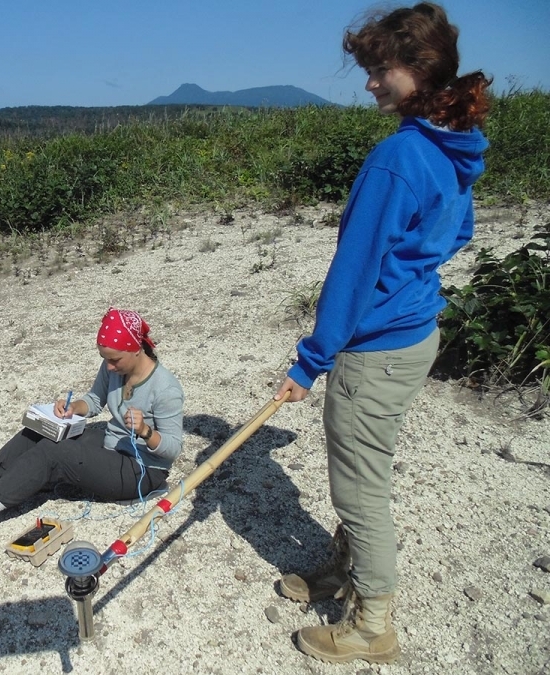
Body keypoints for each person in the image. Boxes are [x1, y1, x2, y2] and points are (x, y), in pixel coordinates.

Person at [272, 2, 491, 665]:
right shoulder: (453, 142)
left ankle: (372, 623)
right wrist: (414, 280)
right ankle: (344, 571)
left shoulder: (399, 156)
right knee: (365, 467)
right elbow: (459, 232)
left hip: (377, 350)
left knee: (359, 489)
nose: (368, 82)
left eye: (379, 69)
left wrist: (312, 360)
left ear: (418, 70)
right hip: (414, 335)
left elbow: (354, 270)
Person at [0, 307, 184, 544]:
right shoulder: (113, 368)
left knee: (54, 454)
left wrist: (145, 432)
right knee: (39, 431)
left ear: (136, 348)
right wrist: (73, 409)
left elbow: (172, 449)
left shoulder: (165, 388)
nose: (108, 365)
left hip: (140, 470)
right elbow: (94, 400)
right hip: (110, 445)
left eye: (114, 360)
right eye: (104, 359)